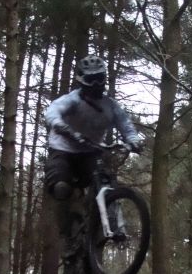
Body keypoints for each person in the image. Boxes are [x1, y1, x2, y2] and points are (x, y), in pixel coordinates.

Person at [44, 55, 143, 257]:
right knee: (61, 188)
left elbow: (126, 126)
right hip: (63, 149)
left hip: (91, 151)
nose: (96, 84)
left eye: (100, 78)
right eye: (91, 79)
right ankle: (67, 236)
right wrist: (62, 127)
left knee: (107, 183)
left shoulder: (110, 105)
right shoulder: (72, 100)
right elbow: (53, 112)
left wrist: (133, 141)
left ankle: (114, 227)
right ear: (81, 80)